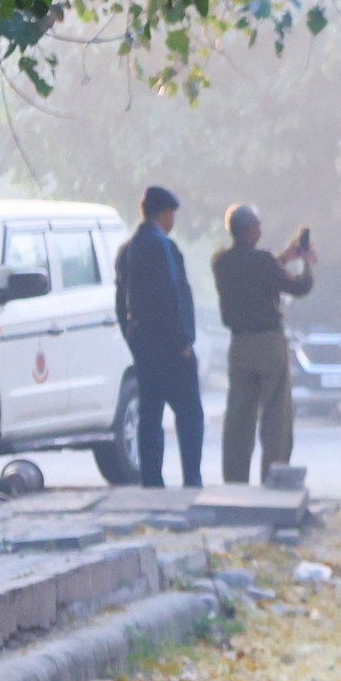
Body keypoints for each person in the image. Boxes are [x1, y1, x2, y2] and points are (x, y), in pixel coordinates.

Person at [211, 204, 317, 485]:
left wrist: (285, 256)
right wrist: (306, 263)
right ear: (250, 230)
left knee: (238, 416)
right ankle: (274, 477)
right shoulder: (264, 262)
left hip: (239, 346)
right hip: (269, 344)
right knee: (276, 416)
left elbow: (257, 271)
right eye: (258, 225)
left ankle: (235, 481)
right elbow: (299, 286)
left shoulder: (221, 262)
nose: (261, 229)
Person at [112, 184, 203, 488]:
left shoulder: (126, 250)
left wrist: (131, 338)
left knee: (149, 415)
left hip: (143, 344)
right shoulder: (164, 247)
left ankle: (151, 480)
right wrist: (184, 340)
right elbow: (173, 294)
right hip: (171, 346)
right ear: (164, 214)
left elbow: (120, 301)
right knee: (189, 413)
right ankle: (192, 479)